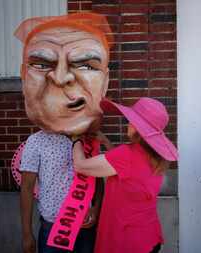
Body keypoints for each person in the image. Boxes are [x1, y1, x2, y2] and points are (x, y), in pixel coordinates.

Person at [15, 13, 113, 253]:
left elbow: (99, 182)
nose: (60, 78)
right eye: (41, 64)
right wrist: (27, 233)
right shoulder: (35, 143)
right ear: (23, 77)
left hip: (86, 227)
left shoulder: (92, 140)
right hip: (51, 229)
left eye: (85, 65)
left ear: (106, 82)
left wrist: (96, 209)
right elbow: (27, 189)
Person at [72, 97, 178, 253]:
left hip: (125, 239)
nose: (128, 123)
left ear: (139, 128)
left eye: (132, 120)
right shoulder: (155, 156)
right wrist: (107, 142)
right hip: (147, 235)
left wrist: (76, 139)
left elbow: (80, 166)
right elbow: (126, 168)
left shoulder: (126, 155)